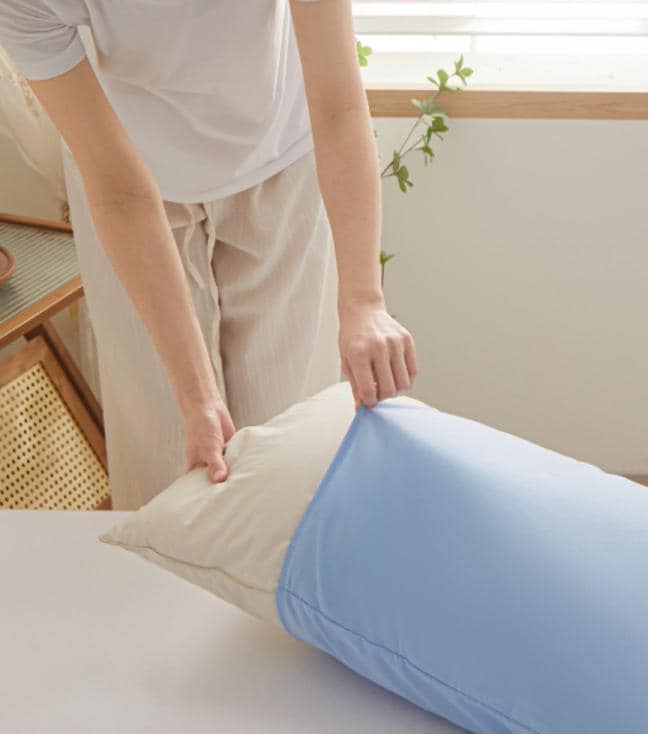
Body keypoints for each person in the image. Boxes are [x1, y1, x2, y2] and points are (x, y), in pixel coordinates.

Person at [0, 0, 419, 509]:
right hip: (127, 178)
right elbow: (118, 189)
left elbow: (338, 108)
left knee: (284, 446)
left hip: (279, 157)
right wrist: (196, 395)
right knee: (168, 458)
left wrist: (363, 302)